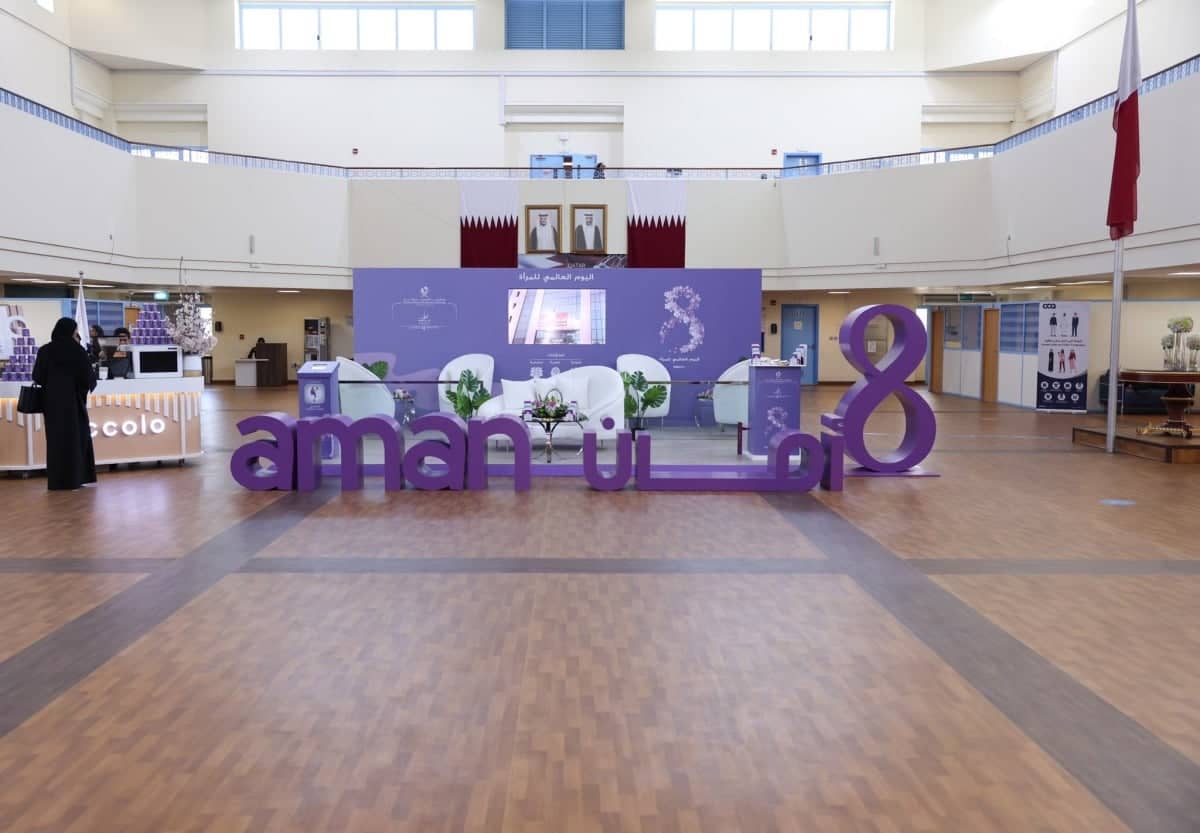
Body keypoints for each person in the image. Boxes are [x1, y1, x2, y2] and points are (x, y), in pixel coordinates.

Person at [32, 318, 97, 490]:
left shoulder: (45, 350)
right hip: (73, 403)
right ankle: (76, 478)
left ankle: (57, 480)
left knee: (55, 442)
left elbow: (37, 376)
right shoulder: (78, 351)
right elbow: (88, 378)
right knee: (76, 439)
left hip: (52, 403)